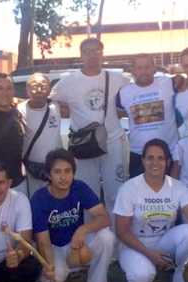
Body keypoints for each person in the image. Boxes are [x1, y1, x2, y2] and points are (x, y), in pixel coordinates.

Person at [114, 139, 188, 282]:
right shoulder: (129, 188)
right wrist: (148, 253)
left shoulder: (177, 187)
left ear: (168, 161)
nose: (155, 162)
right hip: (134, 244)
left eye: (160, 158)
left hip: (163, 242)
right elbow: (121, 231)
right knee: (142, 276)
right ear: (142, 160)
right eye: (150, 158)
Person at [49, 38, 131, 233]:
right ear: (81, 54)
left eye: (96, 51)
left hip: (112, 142)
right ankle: (91, 242)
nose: (92, 55)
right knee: (87, 195)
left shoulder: (118, 78)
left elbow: (139, 92)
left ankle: (117, 244)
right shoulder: (69, 81)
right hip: (83, 146)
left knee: (116, 194)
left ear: (103, 54)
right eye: (87, 51)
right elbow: (49, 101)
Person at [32, 149, 115, 282]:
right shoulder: (40, 198)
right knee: (56, 275)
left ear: (73, 173)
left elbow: (104, 218)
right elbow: (43, 241)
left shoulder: (79, 188)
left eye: (67, 171)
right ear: (49, 175)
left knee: (106, 237)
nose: (63, 177)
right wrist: (49, 264)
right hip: (53, 246)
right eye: (57, 172)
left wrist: (83, 229)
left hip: (75, 242)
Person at [117, 53, 181, 177]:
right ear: (133, 70)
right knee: (138, 194)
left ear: (154, 68)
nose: (143, 71)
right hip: (139, 154)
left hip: (168, 152)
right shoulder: (123, 93)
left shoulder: (169, 84)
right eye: (139, 67)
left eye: (147, 67)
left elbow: (184, 83)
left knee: (170, 192)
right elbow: (116, 115)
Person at [18, 73, 62, 197]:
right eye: (34, 86)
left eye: (43, 86)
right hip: (32, 169)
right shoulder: (18, 110)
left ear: (49, 90)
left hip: (55, 168)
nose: (39, 90)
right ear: (27, 90)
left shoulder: (56, 107)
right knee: (36, 202)